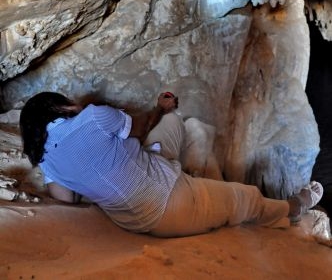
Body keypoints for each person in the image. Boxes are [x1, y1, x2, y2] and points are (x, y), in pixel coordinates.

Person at [19, 91, 323, 238]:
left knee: (173, 124)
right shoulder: (93, 117)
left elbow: (65, 200)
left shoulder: (48, 162)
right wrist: (157, 108)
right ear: (61, 106)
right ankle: (292, 209)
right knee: (243, 198)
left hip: (133, 216)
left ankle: (180, 134)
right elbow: (137, 128)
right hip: (172, 202)